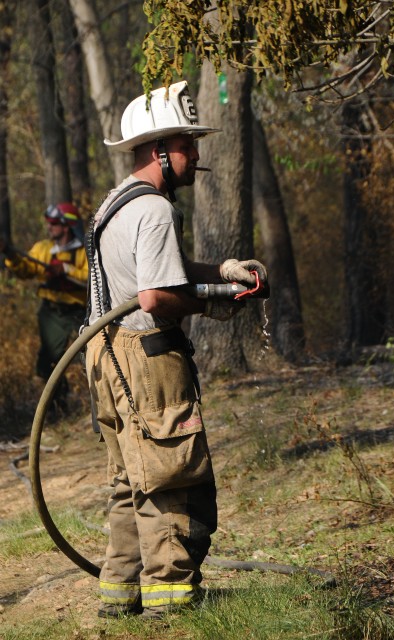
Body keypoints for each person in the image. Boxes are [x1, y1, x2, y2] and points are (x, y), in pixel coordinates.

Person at [84, 80, 268, 620]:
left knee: (130, 481)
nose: (197, 153)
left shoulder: (116, 204)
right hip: (145, 356)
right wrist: (214, 302)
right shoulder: (157, 211)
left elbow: (162, 272)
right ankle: (172, 601)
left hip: (104, 354)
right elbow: (155, 293)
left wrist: (222, 273)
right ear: (158, 149)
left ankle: (120, 595)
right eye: (188, 143)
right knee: (172, 475)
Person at [1, 203, 88, 414]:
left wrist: (66, 269)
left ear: (66, 226)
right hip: (51, 315)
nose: (49, 227)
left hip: (79, 313)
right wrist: (10, 255)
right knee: (49, 363)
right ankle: (58, 407)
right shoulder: (42, 249)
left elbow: (90, 278)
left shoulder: (85, 252)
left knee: (91, 357)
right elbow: (26, 270)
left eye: (53, 223)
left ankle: (96, 403)